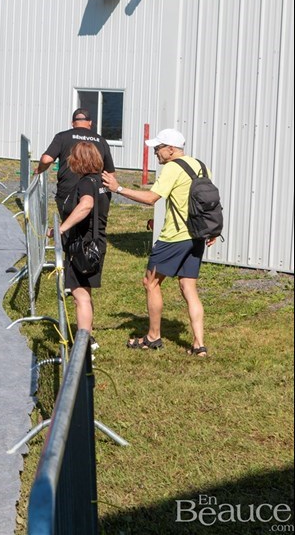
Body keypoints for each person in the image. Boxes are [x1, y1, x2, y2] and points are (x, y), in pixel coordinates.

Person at [102, 128, 217, 357]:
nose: (156, 153)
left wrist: (118, 188)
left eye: (158, 148)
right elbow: (205, 201)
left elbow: (151, 198)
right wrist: (211, 229)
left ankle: (153, 337)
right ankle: (199, 345)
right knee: (188, 287)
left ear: (171, 149)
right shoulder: (200, 166)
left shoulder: (172, 168)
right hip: (197, 236)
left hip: (174, 237)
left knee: (150, 282)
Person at [47, 142, 111, 336]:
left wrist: (61, 229)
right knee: (86, 291)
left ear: (79, 161)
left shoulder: (85, 183)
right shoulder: (101, 181)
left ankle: (85, 341)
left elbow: (86, 205)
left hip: (83, 246)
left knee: (79, 295)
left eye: (72, 157)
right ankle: (88, 333)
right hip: (97, 242)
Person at [34, 108, 115, 216]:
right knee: (91, 226)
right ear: (90, 123)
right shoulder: (101, 140)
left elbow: (46, 159)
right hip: (93, 190)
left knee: (69, 225)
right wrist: (105, 192)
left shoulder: (62, 137)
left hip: (68, 190)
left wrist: (39, 170)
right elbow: (110, 173)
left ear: (72, 123)